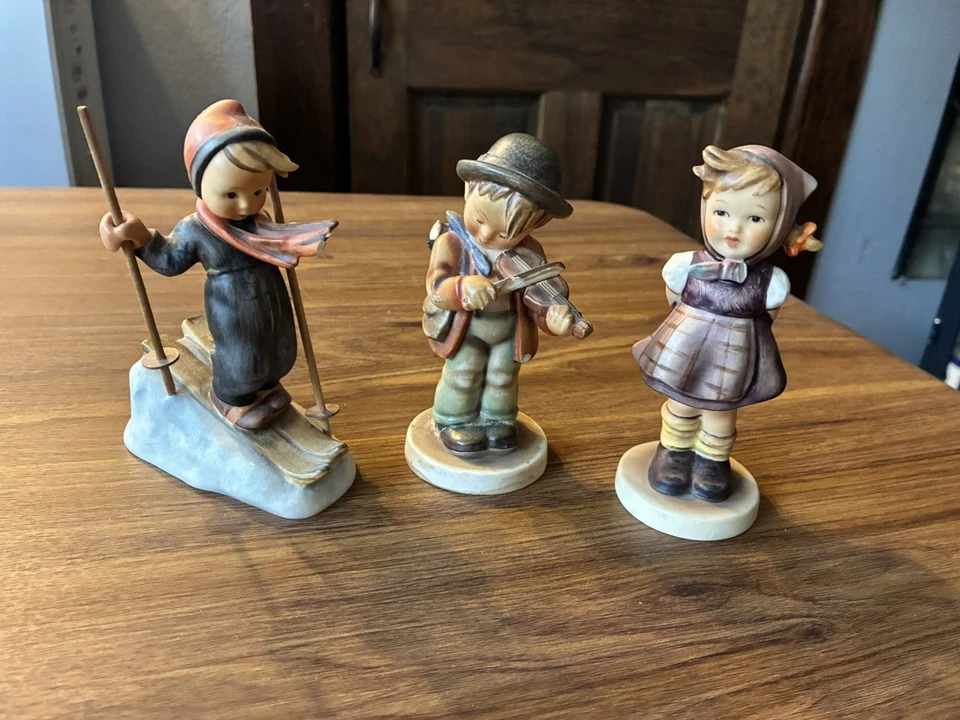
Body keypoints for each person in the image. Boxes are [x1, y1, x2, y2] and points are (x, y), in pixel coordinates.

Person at [99, 100, 336, 430]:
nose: (246, 205)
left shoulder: (260, 224)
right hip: (231, 304)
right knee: (243, 356)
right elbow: (169, 259)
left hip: (270, 293)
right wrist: (139, 237)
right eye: (231, 195)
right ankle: (231, 399)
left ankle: (267, 388)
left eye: (258, 191)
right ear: (200, 186)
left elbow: (274, 239)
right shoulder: (195, 229)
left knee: (280, 348)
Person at [633, 145, 822, 502]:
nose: (734, 228)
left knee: (720, 413)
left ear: (780, 226)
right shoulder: (684, 265)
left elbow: (766, 322)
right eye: (721, 212)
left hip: (734, 353)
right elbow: (674, 300)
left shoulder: (772, 283)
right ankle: (673, 453)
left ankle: (712, 462)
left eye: (755, 219)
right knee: (681, 404)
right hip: (685, 343)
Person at [423, 133, 578, 453]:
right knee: (464, 372)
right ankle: (454, 420)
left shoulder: (529, 254)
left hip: (509, 328)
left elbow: (540, 295)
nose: (485, 235)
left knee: (503, 376)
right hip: (468, 328)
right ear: (468, 191)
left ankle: (498, 420)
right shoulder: (451, 243)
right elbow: (437, 285)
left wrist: (553, 318)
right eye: (479, 219)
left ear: (536, 224)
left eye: (505, 233)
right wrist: (463, 287)